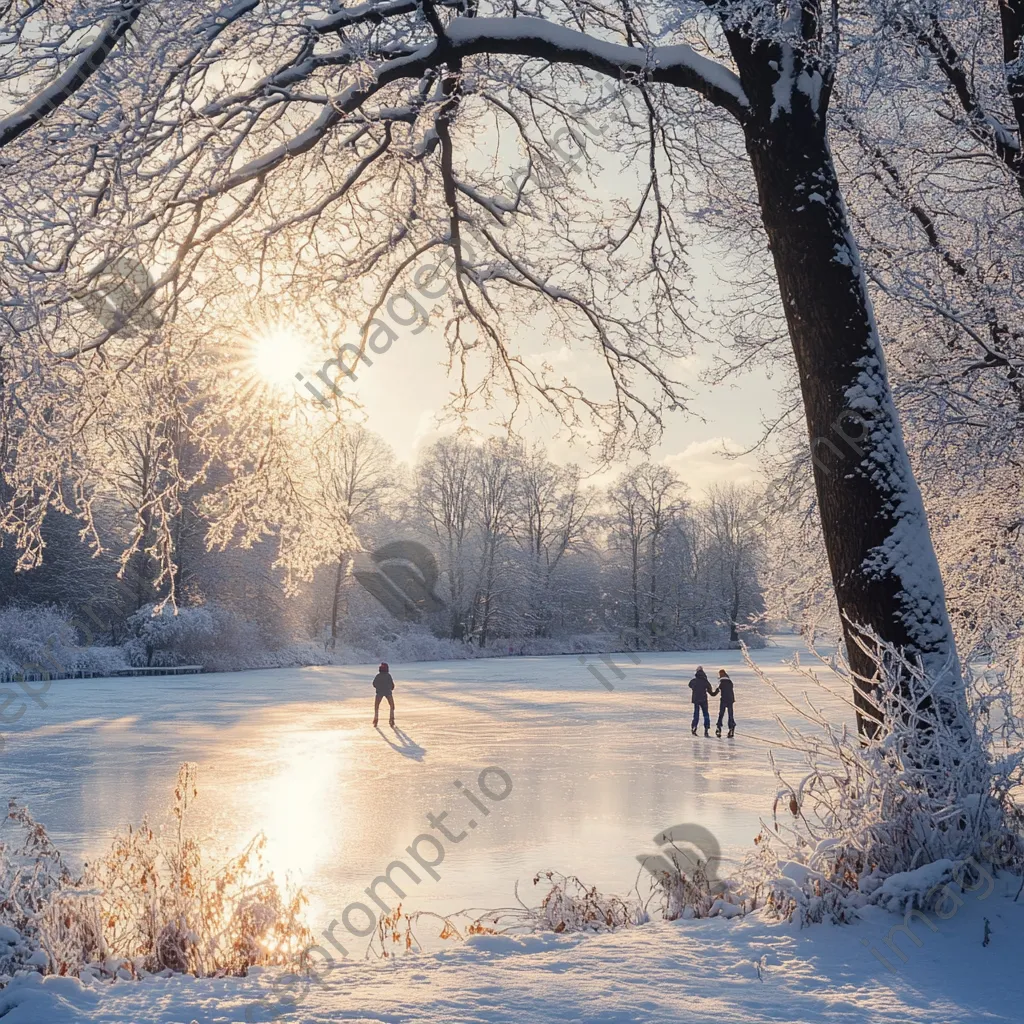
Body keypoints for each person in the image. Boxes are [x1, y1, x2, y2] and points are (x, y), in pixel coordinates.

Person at [688, 666, 714, 736]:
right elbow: (710, 691)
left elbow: (689, 685)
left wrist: (694, 688)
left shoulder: (694, 681)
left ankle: (694, 726)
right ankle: (706, 728)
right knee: (706, 714)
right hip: (703, 699)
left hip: (696, 699)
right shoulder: (705, 681)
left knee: (696, 714)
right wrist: (716, 691)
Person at [712, 668, 736, 738]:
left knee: (721, 714)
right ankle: (731, 728)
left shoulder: (721, 682)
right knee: (730, 714)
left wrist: (709, 691)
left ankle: (718, 728)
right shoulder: (730, 681)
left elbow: (715, 693)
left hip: (724, 699)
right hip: (731, 699)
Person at [372, 661, 396, 728]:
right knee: (392, 706)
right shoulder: (388, 676)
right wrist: (390, 688)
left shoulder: (378, 676)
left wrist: (378, 688)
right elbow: (392, 685)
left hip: (379, 692)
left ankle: (376, 719)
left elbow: (374, 684)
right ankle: (391, 719)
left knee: (376, 706)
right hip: (388, 692)